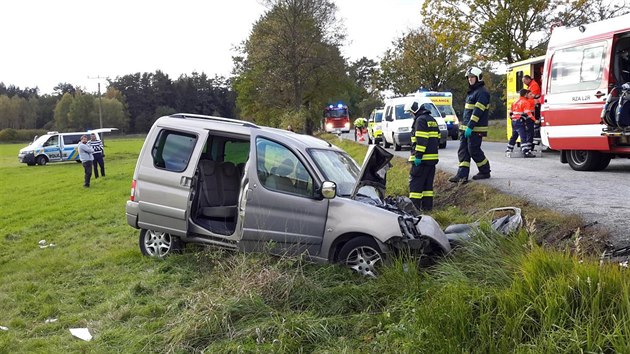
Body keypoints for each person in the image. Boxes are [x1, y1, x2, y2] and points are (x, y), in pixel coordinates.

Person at [449, 66, 491, 183]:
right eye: (468, 77)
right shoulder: (473, 92)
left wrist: (470, 127)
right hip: (466, 128)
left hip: (475, 128)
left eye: (472, 77)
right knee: (463, 151)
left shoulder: (482, 92)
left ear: (478, 78)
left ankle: (485, 171)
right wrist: (465, 127)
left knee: (473, 150)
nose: (470, 79)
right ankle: (461, 176)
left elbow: (477, 112)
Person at [407, 101, 439, 211]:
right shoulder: (432, 119)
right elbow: (437, 137)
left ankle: (414, 209)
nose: (411, 114)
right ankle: (427, 208)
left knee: (415, 185)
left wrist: (418, 156)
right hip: (432, 160)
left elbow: (421, 140)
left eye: (411, 112)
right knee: (427, 187)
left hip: (422, 160)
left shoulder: (420, 120)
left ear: (415, 110)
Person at [506, 89, 535, 157]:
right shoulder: (525, 102)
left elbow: (510, 113)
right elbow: (528, 113)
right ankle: (526, 152)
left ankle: (509, 149)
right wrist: (534, 119)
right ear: (525, 95)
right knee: (523, 136)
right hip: (520, 121)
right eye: (528, 94)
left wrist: (513, 119)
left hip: (514, 121)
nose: (530, 95)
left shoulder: (515, 101)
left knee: (514, 136)